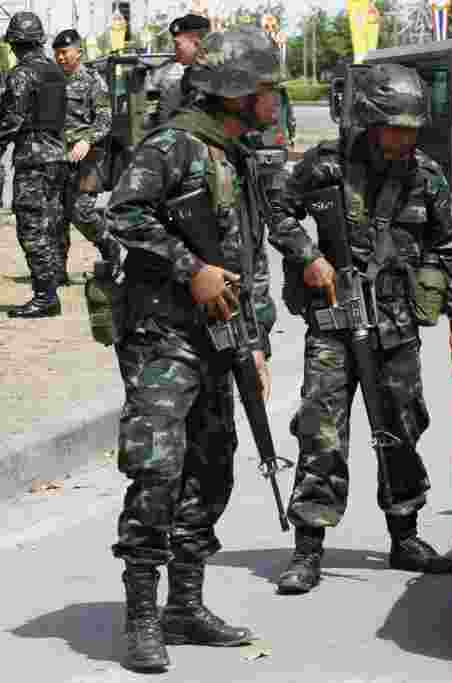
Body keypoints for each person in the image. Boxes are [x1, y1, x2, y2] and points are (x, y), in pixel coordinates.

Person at [105, 24, 289, 672]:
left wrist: (257, 341)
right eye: (266, 88)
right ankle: (142, 616)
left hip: (219, 341)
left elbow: (249, 251)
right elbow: (122, 212)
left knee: (212, 469)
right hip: (163, 336)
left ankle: (184, 604)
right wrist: (190, 267)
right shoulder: (175, 144)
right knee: (158, 468)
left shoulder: (239, 153)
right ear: (235, 92)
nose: (275, 99)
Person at [270, 63, 452, 594]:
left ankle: (404, 536)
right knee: (322, 431)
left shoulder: (425, 175)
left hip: (396, 325)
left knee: (401, 429)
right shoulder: (326, 167)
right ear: (369, 121)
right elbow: (278, 212)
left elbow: (447, 247)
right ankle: (309, 547)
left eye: (411, 129)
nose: (405, 138)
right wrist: (309, 256)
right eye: (395, 128)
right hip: (335, 323)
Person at [1, 12, 67, 318]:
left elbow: (11, 120)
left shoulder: (22, 74)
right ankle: (50, 289)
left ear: (15, 43)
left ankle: (45, 297)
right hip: (56, 155)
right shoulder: (54, 71)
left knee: (31, 228)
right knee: (49, 224)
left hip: (33, 159)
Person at [52, 28, 123, 286]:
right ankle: (57, 271)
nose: (60, 58)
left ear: (78, 53)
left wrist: (86, 140)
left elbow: (105, 119)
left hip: (88, 155)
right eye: (57, 54)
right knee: (57, 214)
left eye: (64, 53)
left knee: (81, 211)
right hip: (58, 156)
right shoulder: (52, 81)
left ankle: (109, 246)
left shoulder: (93, 81)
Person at [145, 13, 210, 128]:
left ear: (197, 43)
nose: (175, 51)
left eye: (177, 44)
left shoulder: (215, 78)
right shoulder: (187, 78)